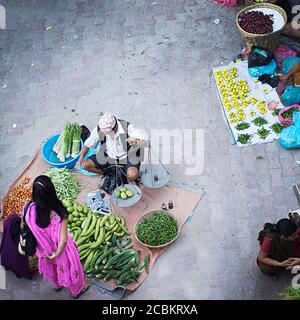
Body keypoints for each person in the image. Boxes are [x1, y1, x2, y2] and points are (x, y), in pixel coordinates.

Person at [23, 175, 90, 298]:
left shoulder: (28, 210)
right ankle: (78, 290)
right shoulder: (60, 213)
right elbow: (63, 240)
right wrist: (57, 253)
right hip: (61, 252)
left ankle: (57, 285)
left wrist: (50, 254)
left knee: (52, 268)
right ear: (52, 193)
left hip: (44, 251)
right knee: (70, 268)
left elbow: (29, 227)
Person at [77, 112, 147, 182]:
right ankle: (109, 174)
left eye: (108, 132)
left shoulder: (126, 127)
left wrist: (136, 141)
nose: (107, 134)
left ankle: (127, 178)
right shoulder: (100, 129)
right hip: (109, 155)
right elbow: (87, 144)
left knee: (132, 175)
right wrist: (81, 157)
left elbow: (144, 142)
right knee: (87, 164)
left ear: (115, 127)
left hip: (127, 156)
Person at [0, 213, 32, 279]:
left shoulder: (8, 234)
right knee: (19, 262)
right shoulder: (20, 239)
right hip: (16, 263)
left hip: (5, 259)